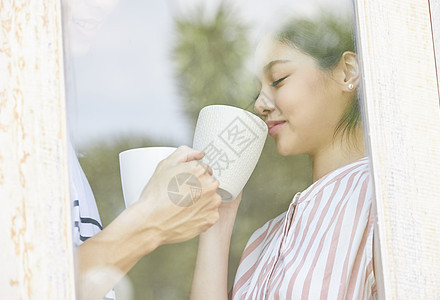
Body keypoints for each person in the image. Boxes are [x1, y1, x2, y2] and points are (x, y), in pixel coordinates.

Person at [190, 14, 376, 299]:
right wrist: (217, 220)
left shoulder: (384, 201)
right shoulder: (263, 243)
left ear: (347, 72)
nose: (261, 106)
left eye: (278, 80)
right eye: (257, 92)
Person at [62, 1, 222, 299]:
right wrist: (151, 221)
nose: (105, 6)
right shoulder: (20, 133)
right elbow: (31, 285)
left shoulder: (51, 138)